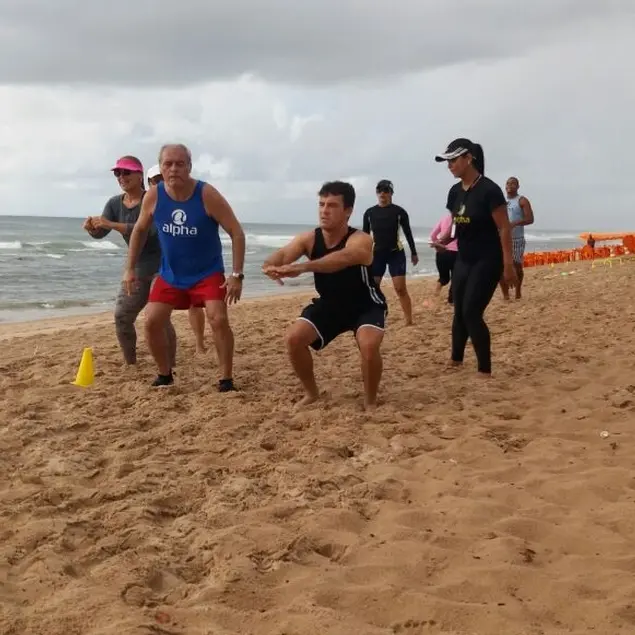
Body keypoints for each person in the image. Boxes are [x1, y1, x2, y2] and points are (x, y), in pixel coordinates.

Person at [124, 144, 246, 389]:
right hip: (171, 275)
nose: (173, 169)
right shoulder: (154, 195)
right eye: (168, 164)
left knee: (218, 318)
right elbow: (139, 230)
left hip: (207, 273)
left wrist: (236, 275)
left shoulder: (206, 194)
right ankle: (165, 374)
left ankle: (226, 378)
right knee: (151, 321)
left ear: (189, 167)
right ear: (160, 167)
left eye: (180, 164)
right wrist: (130, 269)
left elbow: (236, 232)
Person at [262, 180, 387, 409]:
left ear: (347, 211)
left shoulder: (361, 239)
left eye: (331, 205)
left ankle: (370, 401)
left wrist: (302, 267)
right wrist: (270, 266)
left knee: (369, 346)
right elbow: (282, 254)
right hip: (330, 305)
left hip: (366, 304)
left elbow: (343, 258)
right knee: (293, 339)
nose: (324, 211)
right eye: (321, 204)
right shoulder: (309, 238)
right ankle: (312, 394)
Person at [83, 155, 176, 369]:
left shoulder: (153, 199)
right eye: (118, 173)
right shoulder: (115, 203)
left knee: (158, 317)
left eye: (126, 172)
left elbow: (150, 231)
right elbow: (101, 233)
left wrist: (111, 224)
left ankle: (169, 365)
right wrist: (93, 229)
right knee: (122, 316)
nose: (121, 177)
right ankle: (131, 364)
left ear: (139, 175)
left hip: (164, 266)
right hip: (139, 267)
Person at [434, 138, 517, 376]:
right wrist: (445, 242)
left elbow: (504, 227)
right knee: (459, 309)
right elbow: (458, 227)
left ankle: (484, 369)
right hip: (464, 258)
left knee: (471, 311)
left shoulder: (489, 190)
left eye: (453, 160)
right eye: (447, 162)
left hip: (488, 259)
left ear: (468, 158)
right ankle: (456, 359)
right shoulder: (455, 191)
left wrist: (507, 264)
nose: (449, 166)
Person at [146, 163, 207, 353]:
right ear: (148, 183)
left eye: (160, 179)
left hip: (180, 264)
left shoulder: (185, 199)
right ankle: (166, 352)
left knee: (194, 305)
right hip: (153, 264)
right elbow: (136, 231)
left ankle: (199, 343)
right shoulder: (149, 201)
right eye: (154, 180)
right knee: (156, 312)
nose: (159, 183)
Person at [362, 179, 418, 325]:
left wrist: (414, 252)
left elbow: (408, 233)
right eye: (380, 190)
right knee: (374, 288)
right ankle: (375, 316)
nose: (382, 193)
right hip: (377, 255)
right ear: (376, 193)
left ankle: (409, 320)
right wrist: (363, 254)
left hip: (395, 253)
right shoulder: (369, 213)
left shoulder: (399, 212)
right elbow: (365, 236)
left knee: (400, 289)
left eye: (386, 190)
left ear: (391, 193)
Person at [500, 176, 534, 300]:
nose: (510, 185)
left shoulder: (522, 200)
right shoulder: (501, 201)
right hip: (501, 238)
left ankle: (518, 292)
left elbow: (530, 219)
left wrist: (514, 223)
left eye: (513, 183)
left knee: (516, 265)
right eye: (508, 183)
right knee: (500, 266)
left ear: (518, 186)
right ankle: (506, 295)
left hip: (517, 239)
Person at [429, 211, 458, 304]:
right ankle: (451, 300)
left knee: (443, 278)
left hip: (441, 252)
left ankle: (436, 293)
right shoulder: (462, 220)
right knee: (455, 277)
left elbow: (433, 235)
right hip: (456, 253)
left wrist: (438, 244)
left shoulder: (443, 219)